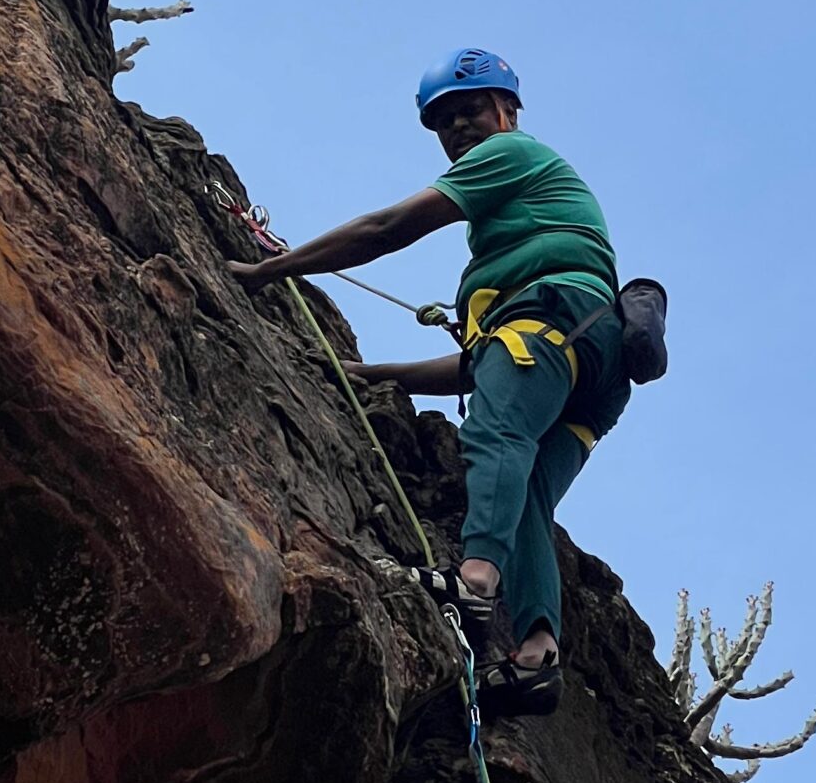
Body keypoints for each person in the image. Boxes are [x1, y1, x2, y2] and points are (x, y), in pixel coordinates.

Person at [227, 46, 629, 716]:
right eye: (445, 122)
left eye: (470, 110)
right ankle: (535, 658)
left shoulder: (510, 153)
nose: (459, 129)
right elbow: (485, 368)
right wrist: (371, 374)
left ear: (506, 108)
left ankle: (473, 581)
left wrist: (269, 270)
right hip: (591, 362)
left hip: (551, 325)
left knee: (496, 436)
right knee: (528, 490)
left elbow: (389, 228)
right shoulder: (527, 232)